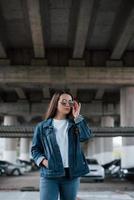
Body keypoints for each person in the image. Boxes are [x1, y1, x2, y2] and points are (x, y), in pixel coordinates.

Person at [31, 90, 92, 200]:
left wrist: (77, 117)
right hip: (50, 174)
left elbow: (86, 136)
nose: (68, 105)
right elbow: (35, 149)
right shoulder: (42, 126)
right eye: (64, 102)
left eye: (70, 102)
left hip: (71, 174)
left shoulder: (75, 124)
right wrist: (45, 162)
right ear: (55, 104)